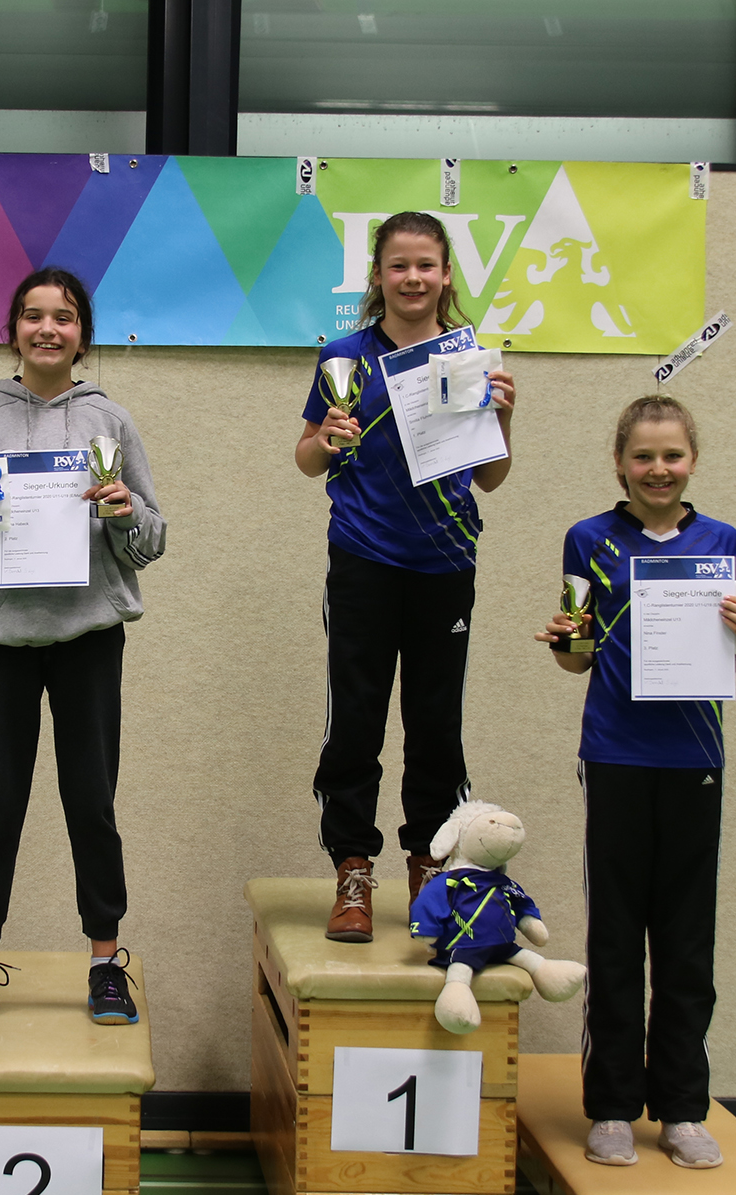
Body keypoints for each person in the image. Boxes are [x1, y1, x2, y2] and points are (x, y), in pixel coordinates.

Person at [0, 267, 166, 1025]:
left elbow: (151, 541)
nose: (47, 329)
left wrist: (123, 511)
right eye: (33, 315)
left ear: (82, 334)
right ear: (13, 329)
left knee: (92, 802)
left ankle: (105, 963)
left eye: (63, 317)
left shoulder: (110, 422)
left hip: (89, 639)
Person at [534, 395, 736, 1170]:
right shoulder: (588, 538)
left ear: (692, 460)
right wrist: (564, 640)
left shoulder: (721, 540)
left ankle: (683, 1108)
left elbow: (733, 654)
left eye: (671, 455)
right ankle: (609, 1105)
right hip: (616, 755)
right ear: (620, 463)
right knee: (615, 935)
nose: (658, 469)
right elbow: (576, 657)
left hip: (694, 758)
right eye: (643, 456)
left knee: (687, 941)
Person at [296, 212, 517, 945]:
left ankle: (431, 867)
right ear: (378, 276)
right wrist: (327, 440)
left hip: (445, 563)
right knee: (354, 722)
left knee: (436, 725)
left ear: (446, 274)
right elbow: (306, 457)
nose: (413, 278)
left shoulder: (469, 358)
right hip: (362, 560)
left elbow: (491, 477)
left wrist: (503, 417)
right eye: (399, 265)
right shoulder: (345, 357)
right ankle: (353, 869)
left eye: (426, 265)